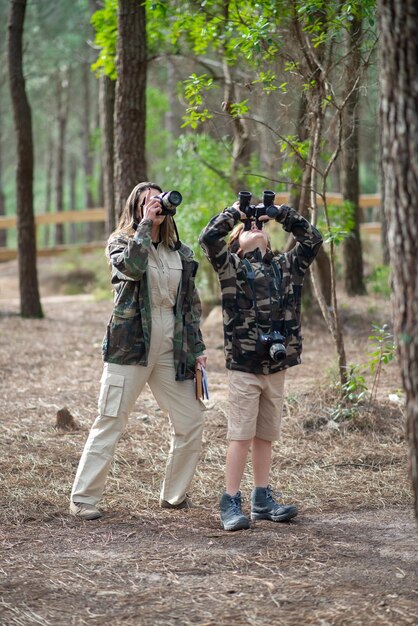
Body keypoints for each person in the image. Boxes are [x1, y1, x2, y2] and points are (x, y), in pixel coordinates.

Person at [70, 182, 207, 520]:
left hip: (170, 348)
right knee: (111, 420)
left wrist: (198, 350)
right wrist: (144, 226)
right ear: (136, 208)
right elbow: (131, 268)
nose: (155, 207)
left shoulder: (181, 253)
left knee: (191, 420)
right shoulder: (120, 243)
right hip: (130, 346)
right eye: (147, 203)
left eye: (158, 201)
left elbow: (190, 305)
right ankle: (83, 499)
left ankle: (174, 496)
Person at [199, 197, 322, 531]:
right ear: (236, 242)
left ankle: (261, 498)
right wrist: (235, 213)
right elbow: (208, 239)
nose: (255, 229)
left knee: (265, 435)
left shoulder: (287, 266)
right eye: (247, 228)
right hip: (244, 366)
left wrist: (280, 213)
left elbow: (313, 240)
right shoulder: (231, 268)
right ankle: (230, 500)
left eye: (260, 228)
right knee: (241, 434)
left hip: (276, 368)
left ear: (270, 239)